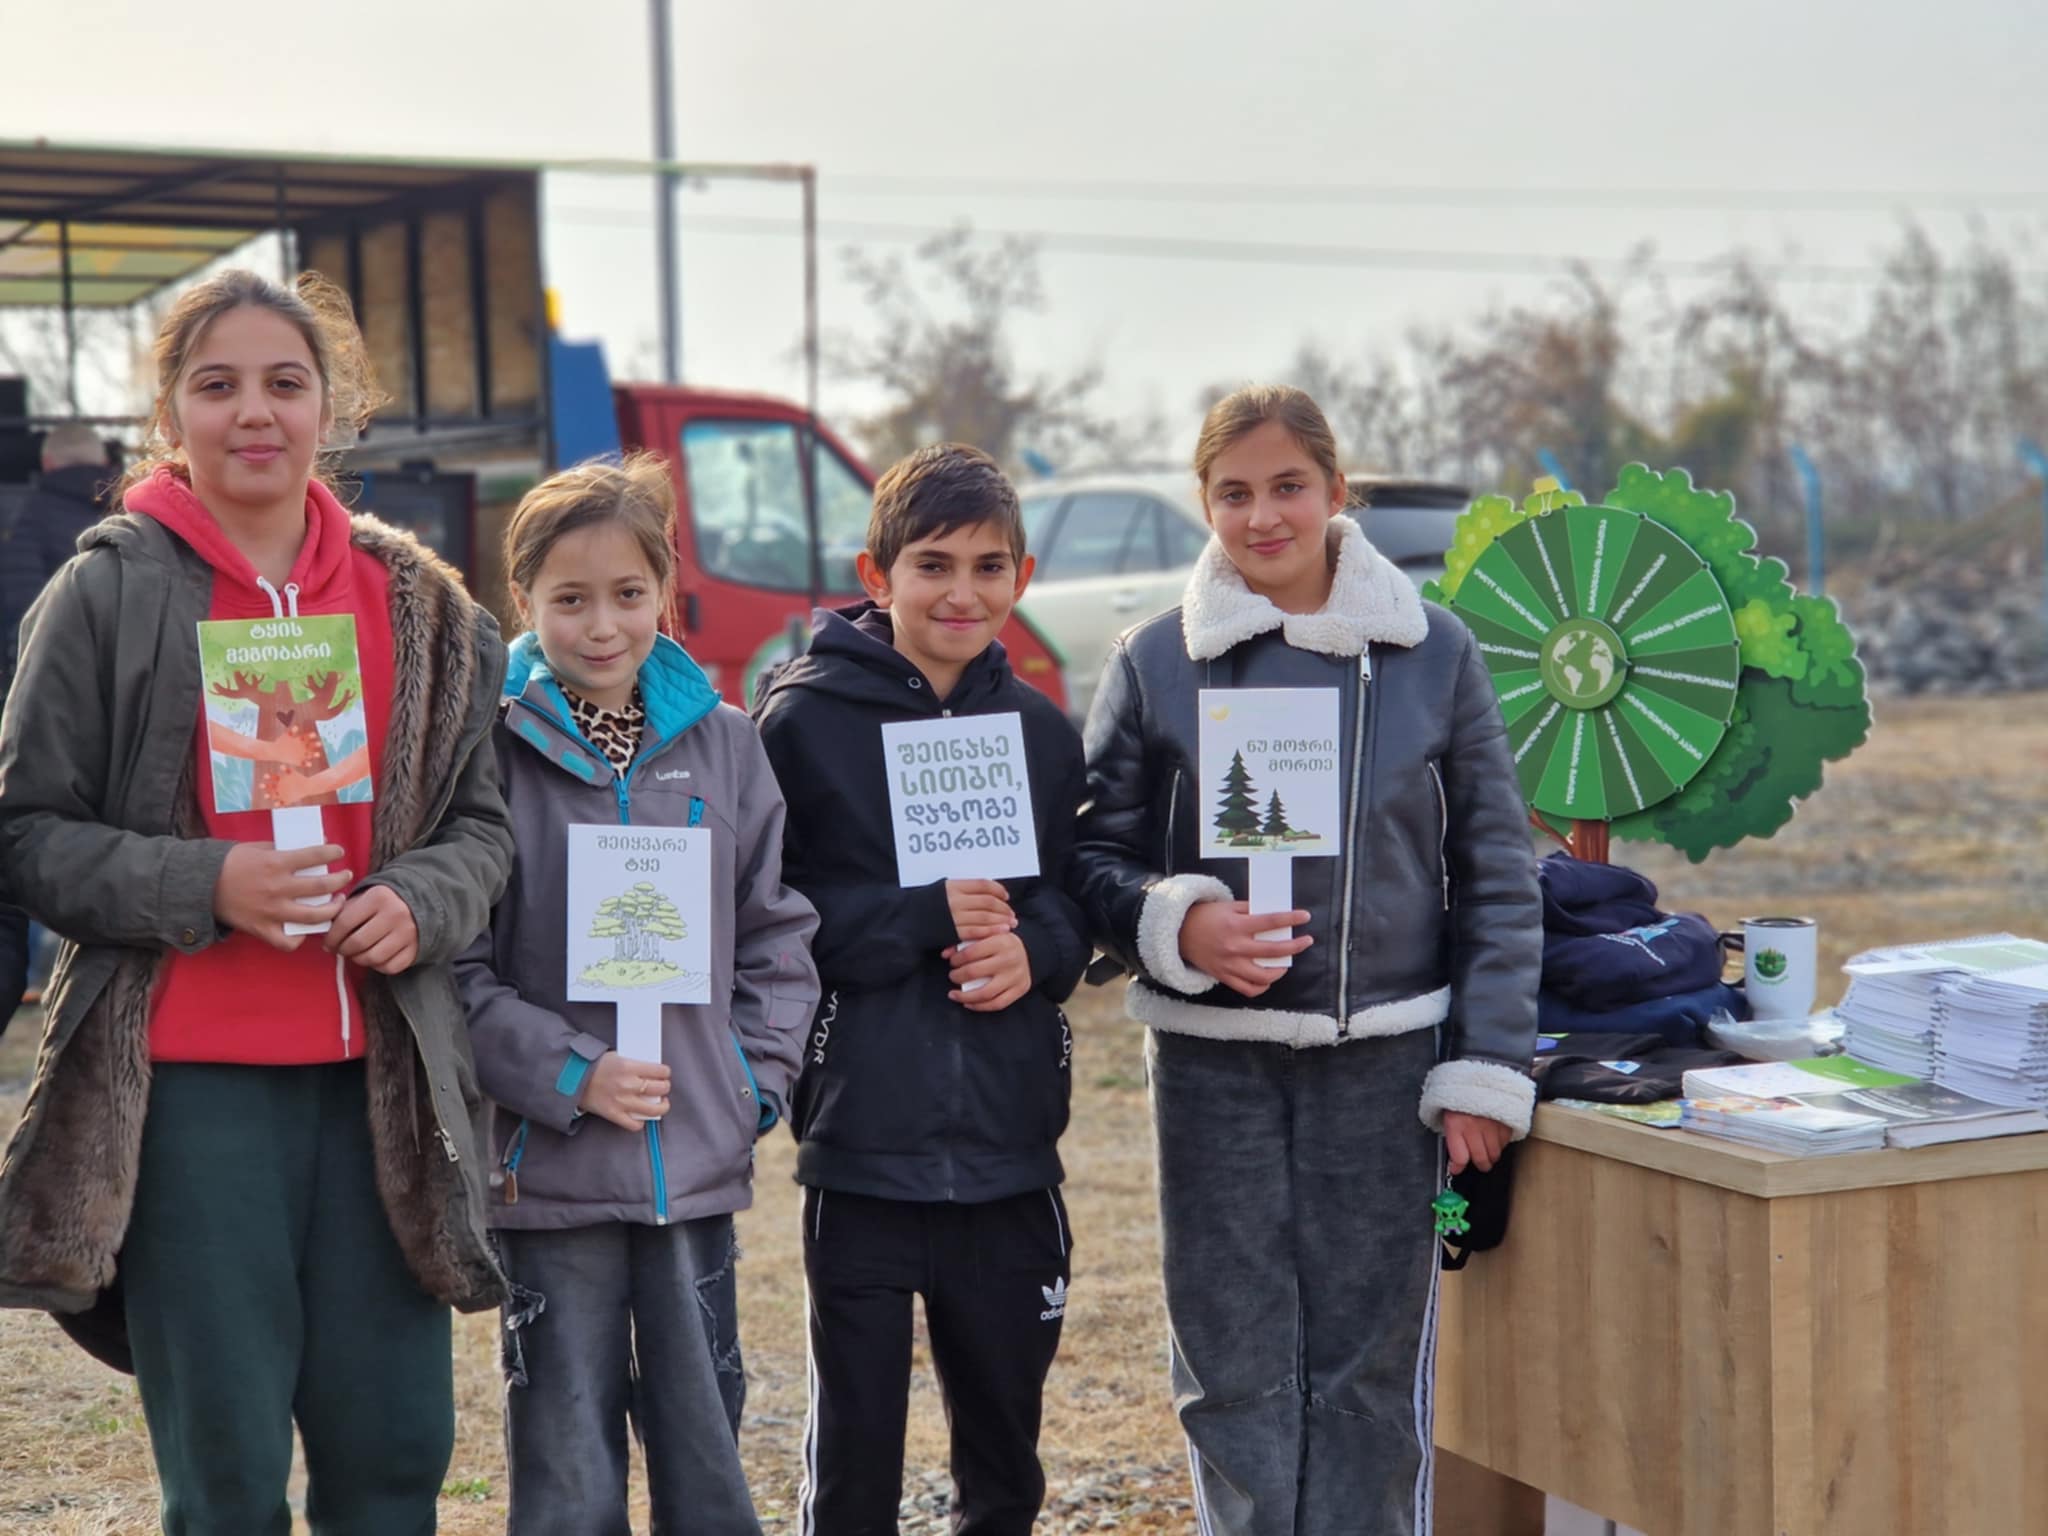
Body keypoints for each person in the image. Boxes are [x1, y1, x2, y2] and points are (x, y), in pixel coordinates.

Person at [0, 268, 514, 1536]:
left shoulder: (426, 607)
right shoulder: (106, 593)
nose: (253, 412)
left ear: (332, 408)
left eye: (285, 383)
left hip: (380, 1086)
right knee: (225, 1469)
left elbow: (480, 828)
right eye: (216, 384)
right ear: (170, 414)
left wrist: (421, 899)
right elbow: (26, 833)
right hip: (190, 1094)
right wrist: (205, 881)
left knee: (395, 1451)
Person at [1069, 385, 1541, 1536]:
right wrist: (1174, 924)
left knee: (1368, 1372)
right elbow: (1088, 855)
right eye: (1233, 493)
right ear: (1204, 504)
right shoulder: (1153, 660)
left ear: (1336, 491)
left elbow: (1494, 870)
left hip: (1383, 1065)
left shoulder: (1434, 653)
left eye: (1287, 486)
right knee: (1227, 1364)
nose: (1262, 515)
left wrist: (1484, 1067)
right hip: (1209, 1070)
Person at [457, 453, 819, 1536]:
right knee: (565, 1462)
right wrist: (571, 1072)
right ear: (523, 598)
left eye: (627, 593)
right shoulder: (486, 752)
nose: (603, 625)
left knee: (706, 1449)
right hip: (550, 1177)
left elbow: (775, 932)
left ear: (665, 588)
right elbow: (455, 970)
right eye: (570, 599)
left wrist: (749, 1085)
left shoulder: (726, 744)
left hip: (690, 1174)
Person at [752, 443, 1091, 1536]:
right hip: (862, 1144)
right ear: (877, 572)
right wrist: (918, 914)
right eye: (933, 565)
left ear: (1021, 578)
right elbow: (771, 916)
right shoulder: (799, 724)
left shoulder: (1042, 734)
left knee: (1005, 1465)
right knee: (855, 1467)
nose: (961, 593)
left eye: (989, 568)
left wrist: (1033, 951)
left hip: (1009, 1149)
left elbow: (1071, 897)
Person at [0, 422, 111, 1037]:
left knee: (39, 830)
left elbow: (17, 617)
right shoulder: (132, 521)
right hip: (125, 714)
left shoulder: (29, 520)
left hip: (47, 711)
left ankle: (45, 968)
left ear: (46, 464)